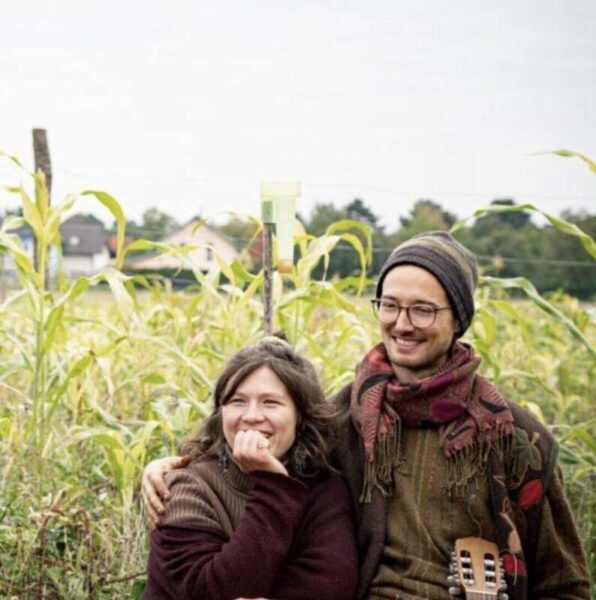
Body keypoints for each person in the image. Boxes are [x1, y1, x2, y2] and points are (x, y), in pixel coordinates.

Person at [143, 232, 590, 600]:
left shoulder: (514, 437)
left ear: (458, 319)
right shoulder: (344, 417)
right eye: (390, 305)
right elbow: (252, 447)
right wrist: (168, 467)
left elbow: (564, 584)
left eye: (423, 309)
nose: (402, 323)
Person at [141, 337, 358, 600]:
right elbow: (211, 590)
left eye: (271, 402)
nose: (252, 416)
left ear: (300, 417)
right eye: (237, 401)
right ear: (221, 413)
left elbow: (331, 585)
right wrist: (274, 486)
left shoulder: (322, 487)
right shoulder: (185, 487)